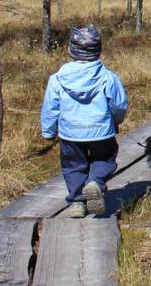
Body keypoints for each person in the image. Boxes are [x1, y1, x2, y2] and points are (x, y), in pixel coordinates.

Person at [39, 26, 128, 218]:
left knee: (73, 165)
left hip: (69, 133)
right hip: (101, 131)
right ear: (98, 50)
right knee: (105, 158)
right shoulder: (108, 77)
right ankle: (95, 181)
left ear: (71, 49)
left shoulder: (57, 79)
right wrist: (116, 121)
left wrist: (48, 131)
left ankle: (78, 202)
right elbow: (119, 105)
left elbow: (50, 107)